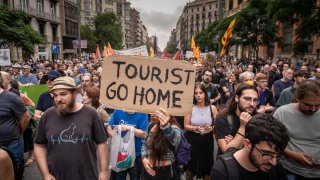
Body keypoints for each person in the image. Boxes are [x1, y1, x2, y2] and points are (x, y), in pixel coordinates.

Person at [33, 76, 108, 180]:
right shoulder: (47, 115)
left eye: (63, 94)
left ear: (75, 93)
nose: (58, 99)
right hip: (56, 176)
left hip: (87, 176)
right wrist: (45, 174)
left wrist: (104, 172)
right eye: (55, 95)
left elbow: (102, 142)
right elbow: (38, 145)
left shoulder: (91, 113)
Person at [210, 113, 289, 180]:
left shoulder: (276, 168)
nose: (274, 162)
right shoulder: (223, 171)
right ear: (247, 144)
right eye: (267, 154)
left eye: (278, 155)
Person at [273, 80, 320, 179]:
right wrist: (292, 154)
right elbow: (273, 141)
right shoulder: (282, 113)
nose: (313, 109)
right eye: (308, 105)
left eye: (317, 105)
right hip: (290, 169)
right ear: (298, 98)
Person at [184, 83, 218, 180]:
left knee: (207, 171)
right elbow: (185, 126)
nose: (198, 95)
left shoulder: (212, 108)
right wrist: (196, 128)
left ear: (205, 94)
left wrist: (212, 128)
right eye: (196, 93)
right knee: (190, 170)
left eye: (201, 92)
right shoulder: (190, 108)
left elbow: (218, 125)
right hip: (192, 141)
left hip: (207, 142)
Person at [0, 72, 31, 180]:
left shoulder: (11, 97)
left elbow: (26, 117)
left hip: (11, 143)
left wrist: (19, 133)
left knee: (15, 170)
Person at [214, 84, 258, 155]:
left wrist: (234, 141)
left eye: (255, 100)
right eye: (247, 99)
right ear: (237, 98)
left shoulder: (258, 119)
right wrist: (243, 126)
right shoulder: (223, 118)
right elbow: (227, 151)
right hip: (229, 164)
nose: (252, 104)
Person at [107, 109, 149, 180]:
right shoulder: (118, 111)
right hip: (120, 154)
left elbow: (144, 134)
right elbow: (109, 128)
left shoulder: (142, 113)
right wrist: (117, 139)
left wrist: (129, 128)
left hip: (136, 154)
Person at [141, 108, 182, 179]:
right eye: (151, 111)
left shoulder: (174, 128)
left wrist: (166, 127)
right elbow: (144, 143)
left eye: (157, 112)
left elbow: (175, 140)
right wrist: (144, 158)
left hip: (166, 173)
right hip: (150, 171)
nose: (152, 114)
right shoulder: (151, 125)